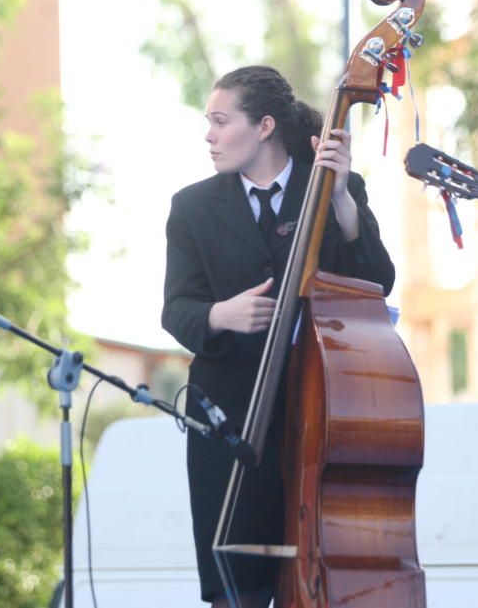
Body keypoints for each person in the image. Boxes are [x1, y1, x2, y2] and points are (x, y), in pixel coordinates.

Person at [161, 65, 395, 608]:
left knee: (318, 563)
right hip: (229, 417)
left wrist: (342, 204)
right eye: (208, 122)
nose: (209, 135)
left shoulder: (337, 187)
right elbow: (177, 310)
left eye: (221, 121)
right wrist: (223, 314)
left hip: (319, 405)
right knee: (234, 585)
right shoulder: (191, 207)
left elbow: (377, 283)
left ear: (264, 126)